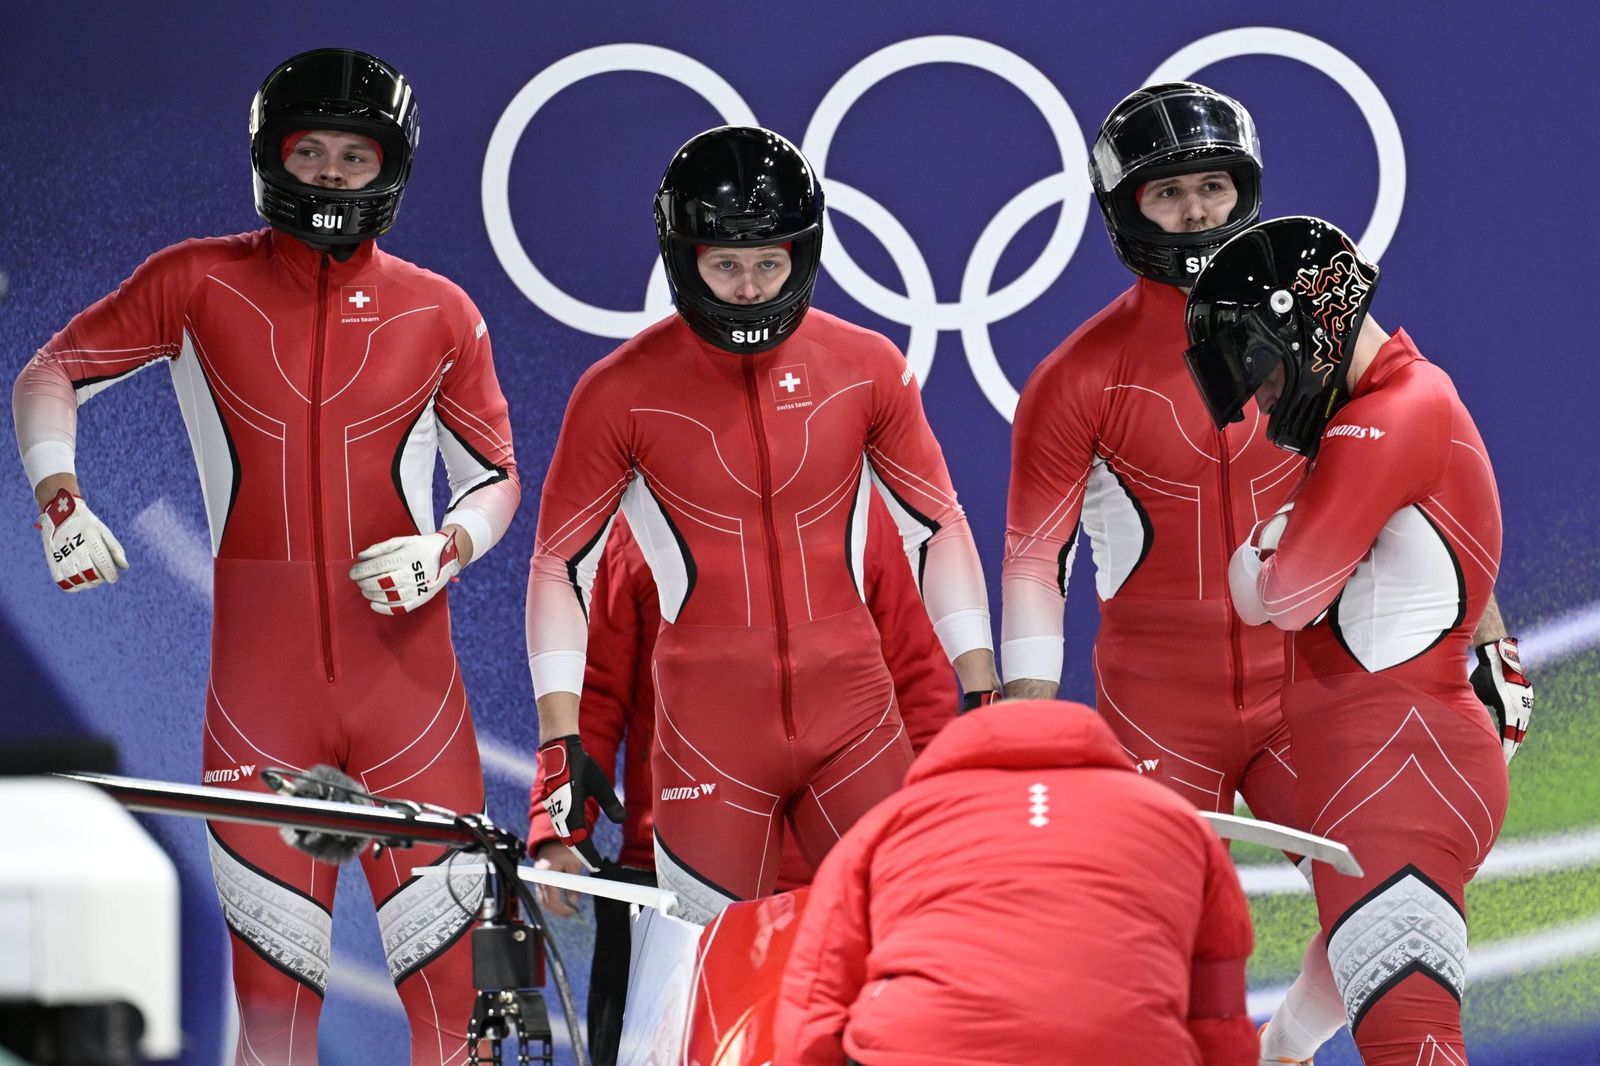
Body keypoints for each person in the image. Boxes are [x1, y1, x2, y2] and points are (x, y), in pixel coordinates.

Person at [13, 48, 520, 1064]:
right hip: (262, 703)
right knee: (275, 1029)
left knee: (455, 1027)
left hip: (413, 700)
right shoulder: (195, 280)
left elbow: (497, 475)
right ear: (270, 157)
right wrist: (59, 499)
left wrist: (446, 547)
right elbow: (51, 372)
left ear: (391, 168)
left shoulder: (442, 309)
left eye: (354, 155)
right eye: (310, 151)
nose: (332, 174)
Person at [526, 124, 1000, 925]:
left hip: (853, 712)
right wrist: (557, 745)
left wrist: (983, 685)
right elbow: (557, 570)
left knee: (914, 956)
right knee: (710, 994)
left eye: (768, 263)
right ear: (685, 260)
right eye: (725, 264)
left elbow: (938, 526)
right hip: (710, 732)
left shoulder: (868, 367)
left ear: (802, 255)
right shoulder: (617, 392)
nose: (748, 287)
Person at [1185, 216, 1516, 1065]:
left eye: (1255, 371)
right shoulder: (1405, 407)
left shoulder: (1390, 417)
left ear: (1300, 323)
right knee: (1352, 974)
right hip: (1399, 773)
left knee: (1414, 1046)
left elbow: (1285, 598)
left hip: (1396, 777)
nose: (1258, 403)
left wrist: (1257, 549)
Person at [527, 498, 955, 1066]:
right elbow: (592, 693)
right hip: (671, 886)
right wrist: (556, 826)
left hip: (830, 890)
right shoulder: (639, 518)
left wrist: (922, 848)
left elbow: (919, 691)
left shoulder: (868, 516)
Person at [1003, 81, 1304, 826]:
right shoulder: (1075, 377)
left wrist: (1490, 643)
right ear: (1122, 208)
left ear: (1246, 192)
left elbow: (1420, 473)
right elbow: (1037, 561)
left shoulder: (1318, 324)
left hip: (1311, 689)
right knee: (1161, 940)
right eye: (1167, 192)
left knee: (1385, 920)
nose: (1197, 211)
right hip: (1158, 712)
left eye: (1212, 185)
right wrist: (1026, 728)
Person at [774, 699, 1257, 1066]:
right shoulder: (1179, 821)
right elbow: (1219, 1017)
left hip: (920, 1047)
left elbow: (816, 999)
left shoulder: (889, 822)